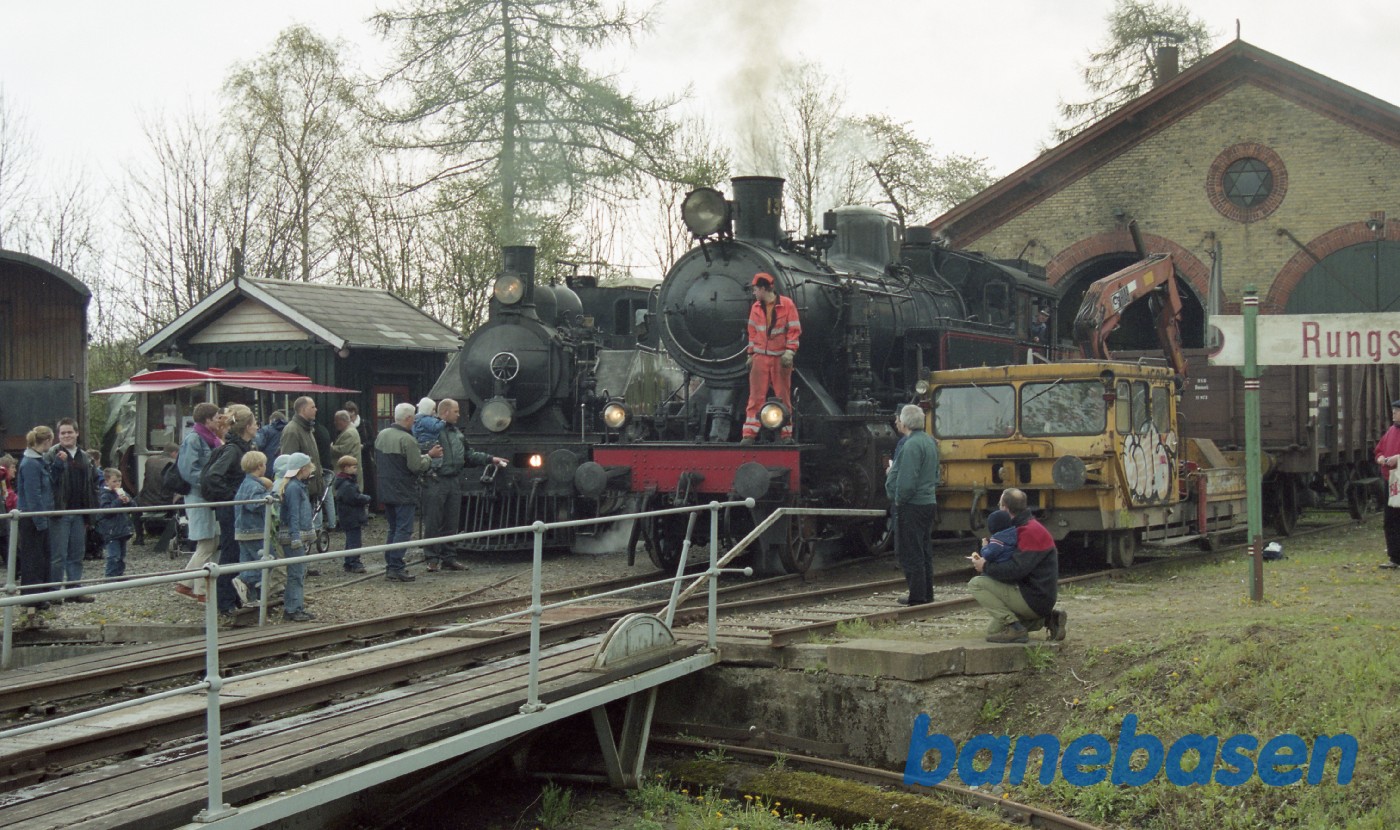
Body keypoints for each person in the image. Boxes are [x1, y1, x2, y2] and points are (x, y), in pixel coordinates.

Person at [968, 488, 1066, 643]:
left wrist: (985, 567)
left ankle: (1015, 628)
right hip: (1038, 595)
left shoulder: (1028, 532)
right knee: (994, 631)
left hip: (1033, 597)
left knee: (976, 584)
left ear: (1005, 508)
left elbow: (1016, 570)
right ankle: (1048, 619)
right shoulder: (1028, 526)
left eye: (1000, 505)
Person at [420, 398, 507, 572]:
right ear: (445, 412)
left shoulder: (457, 433)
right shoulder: (431, 431)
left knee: (451, 521)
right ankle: (431, 558)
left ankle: (449, 557)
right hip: (435, 479)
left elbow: (469, 454)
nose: (459, 415)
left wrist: (490, 459)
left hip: (453, 480)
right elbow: (420, 450)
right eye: (456, 411)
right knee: (433, 521)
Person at [375, 402, 443, 582]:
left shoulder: (382, 435)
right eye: (413, 417)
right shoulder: (407, 440)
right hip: (403, 490)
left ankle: (391, 564)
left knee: (393, 528)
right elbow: (415, 466)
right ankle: (396, 565)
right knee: (404, 530)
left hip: (385, 488)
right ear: (408, 418)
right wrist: (430, 456)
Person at [886, 403, 939, 606]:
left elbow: (907, 480)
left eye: (899, 419)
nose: (897, 422)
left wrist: (899, 499)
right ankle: (926, 592)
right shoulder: (929, 441)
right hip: (927, 502)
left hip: (912, 504)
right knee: (923, 550)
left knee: (911, 551)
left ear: (906, 422)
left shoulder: (911, 445)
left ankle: (917, 595)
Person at [741, 272, 801, 445]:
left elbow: (794, 330)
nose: (753, 293)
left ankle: (786, 434)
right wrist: (751, 354)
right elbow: (752, 332)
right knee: (755, 397)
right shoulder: (755, 308)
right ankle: (749, 434)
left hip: (780, 358)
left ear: (763, 289)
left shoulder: (787, 305)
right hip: (760, 357)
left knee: (783, 396)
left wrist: (790, 352)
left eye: (755, 289)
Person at [44, 417, 99, 602]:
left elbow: (92, 485)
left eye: (69, 432)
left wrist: (91, 513)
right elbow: (48, 482)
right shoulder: (51, 454)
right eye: (63, 433)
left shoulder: (85, 457)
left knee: (77, 553)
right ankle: (54, 592)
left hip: (79, 512)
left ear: (77, 433)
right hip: (59, 512)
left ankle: (74, 589)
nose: (66, 435)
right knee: (58, 555)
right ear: (58, 435)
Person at [176, 402, 222, 602]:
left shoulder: (211, 439)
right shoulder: (194, 440)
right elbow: (187, 469)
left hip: (208, 495)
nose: (220, 420)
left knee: (211, 540)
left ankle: (196, 586)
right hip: (198, 494)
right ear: (208, 419)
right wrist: (207, 483)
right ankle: (190, 584)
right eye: (217, 417)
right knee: (206, 541)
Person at [17, 426, 56, 626]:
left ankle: (39, 594)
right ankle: (32, 597)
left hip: (39, 515)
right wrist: (40, 520)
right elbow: (33, 494)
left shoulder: (37, 461)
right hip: (32, 518)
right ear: (47, 440)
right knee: (33, 559)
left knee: (41, 557)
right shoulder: (31, 464)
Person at [279, 396, 332, 536]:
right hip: (301, 488)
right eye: (312, 407)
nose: (316, 409)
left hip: (311, 486)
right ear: (303, 409)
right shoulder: (292, 430)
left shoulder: (308, 429)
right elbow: (288, 461)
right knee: (301, 527)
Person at [274, 452, 316, 622]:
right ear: (302, 469)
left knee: (297, 572)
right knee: (296, 573)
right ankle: (293, 608)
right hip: (292, 536)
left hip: (292, 534)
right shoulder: (294, 488)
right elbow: (293, 514)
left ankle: (295, 606)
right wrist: (295, 536)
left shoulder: (293, 486)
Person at [234, 450, 275, 601]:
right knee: (269, 561)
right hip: (254, 530)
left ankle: (251, 599)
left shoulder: (244, 483)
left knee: (247, 563)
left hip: (241, 529)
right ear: (259, 466)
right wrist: (272, 494)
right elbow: (255, 504)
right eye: (265, 464)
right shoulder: (254, 486)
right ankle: (244, 579)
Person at [135, 443, 179, 548]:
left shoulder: (150, 460)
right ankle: (176, 535)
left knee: (134, 503)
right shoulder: (173, 463)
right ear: (174, 453)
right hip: (165, 501)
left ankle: (139, 537)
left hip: (146, 500)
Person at [333, 455, 371, 573]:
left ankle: (349, 561)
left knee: (350, 540)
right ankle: (354, 562)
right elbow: (354, 498)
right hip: (352, 517)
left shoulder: (343, 483)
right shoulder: (348, 485)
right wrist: (366, 498)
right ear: (346, 468)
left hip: (347, 516)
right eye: (354, 467)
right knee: (354, 541)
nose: (356, 469)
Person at [1375, 399, 1400, 568]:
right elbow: (1379, 449)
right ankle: (1394, 557)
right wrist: (1381, 458)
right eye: (1393, 411)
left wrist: (1398, 458)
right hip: (1391, 481)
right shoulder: (1391, 431)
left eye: (1397, 411)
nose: (1394, 414)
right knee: (1390, 519)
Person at [331, 410, 364, 489]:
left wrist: (330, 447)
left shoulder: (349, 433)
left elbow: (342, 450)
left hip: (348, 472)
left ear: (343, 421)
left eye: (336, 420)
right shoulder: (350, 430)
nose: (335, 423)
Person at [413, 397, 446, 471]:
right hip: (430, 442)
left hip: (420, 443)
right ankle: (435, 468)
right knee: (437, 455)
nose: (434, 412)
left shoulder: (416, 420)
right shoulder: (427, 419)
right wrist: (443, 422)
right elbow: (435, 428)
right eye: (433, 409)